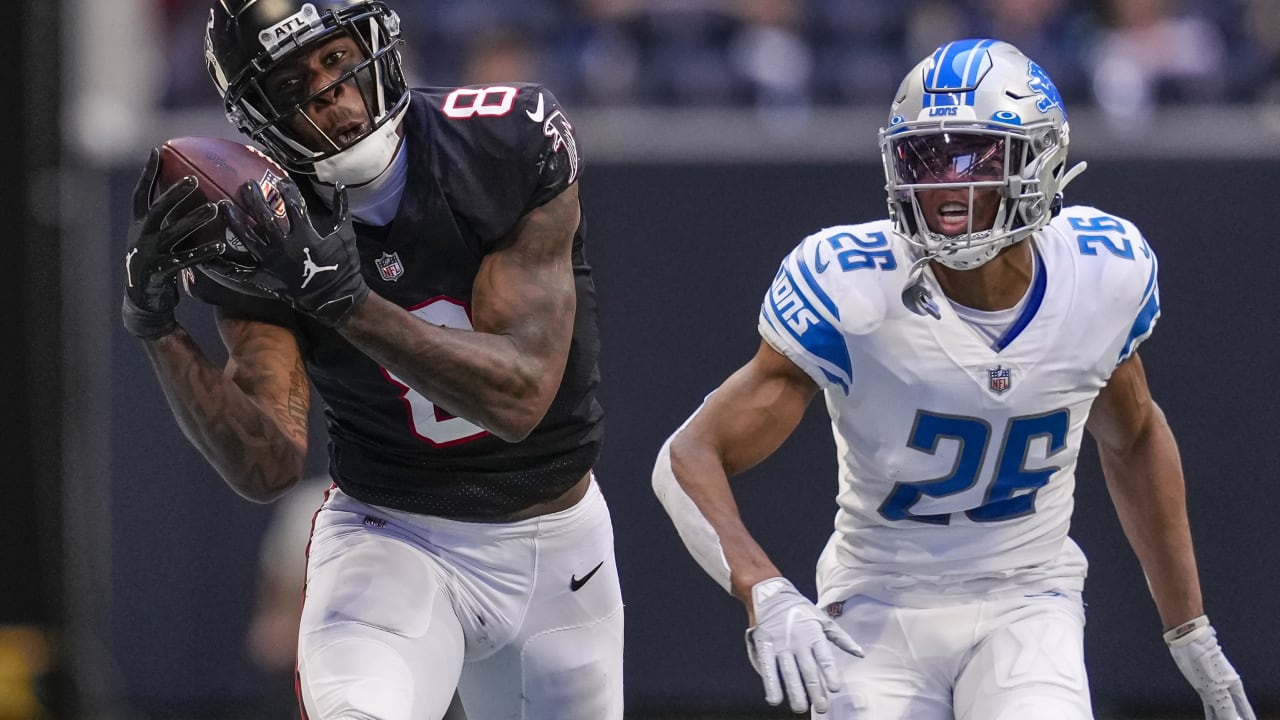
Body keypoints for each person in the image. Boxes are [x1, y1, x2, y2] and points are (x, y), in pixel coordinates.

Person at [652, 38, 1253, 719]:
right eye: (925, 158)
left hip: (1029, 597)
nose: (945, 185)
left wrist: (1189, 627)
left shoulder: (1101, 272)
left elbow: (1135, 438)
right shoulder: (853, 283)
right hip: (879, 599)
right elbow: (688, 454)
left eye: (974, 155)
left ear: (1041, 157)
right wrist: (764, 590)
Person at [119, 2, 623, 719]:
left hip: (558, 546)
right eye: (294, 85)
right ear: (258, 112)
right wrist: (156, 327)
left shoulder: (503, 142)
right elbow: (267, 467)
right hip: (394, 536)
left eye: (334, 58)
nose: (331, 92)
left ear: (375, 44)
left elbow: (520, 398)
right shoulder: (259, 218)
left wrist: (345, 302)